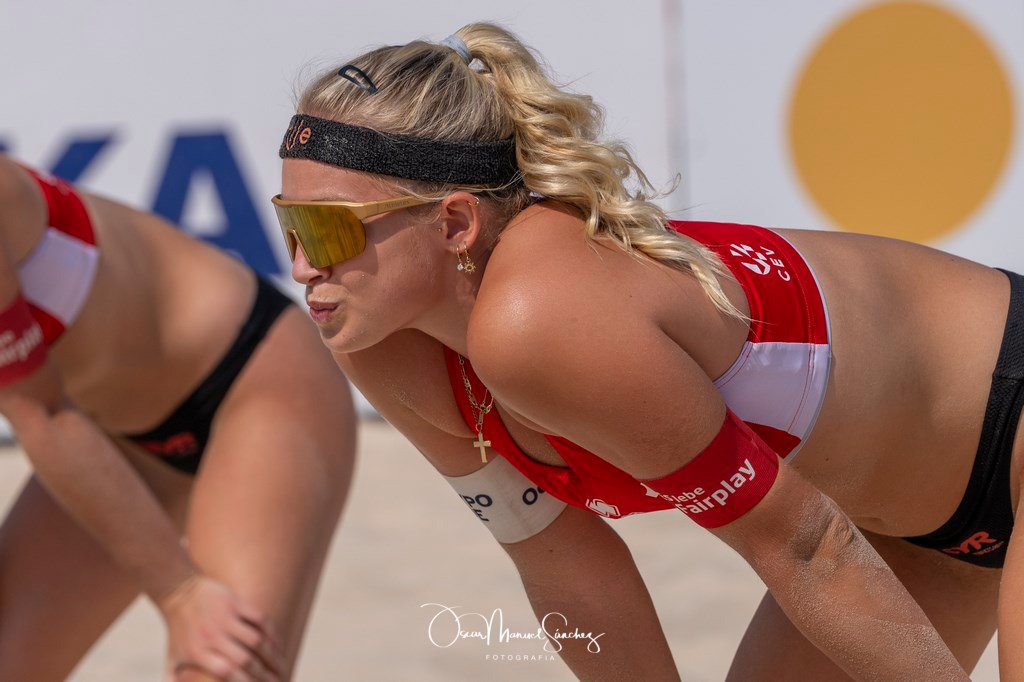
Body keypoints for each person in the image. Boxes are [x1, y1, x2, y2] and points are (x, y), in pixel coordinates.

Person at [273, 22, 1018, 680]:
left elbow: (805, 543)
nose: (303, 267)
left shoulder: (538, 316)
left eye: (328, 230)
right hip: (908, 538)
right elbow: (569, 570)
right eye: (290, 226)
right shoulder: (374, 339)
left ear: (455, 223)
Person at [0, 154, 356, 681]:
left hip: (251, 378)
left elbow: (42, 415)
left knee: (222, 669)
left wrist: (180, 591)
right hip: (113, 436)